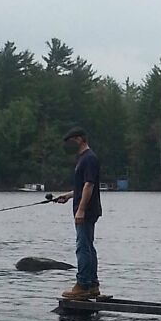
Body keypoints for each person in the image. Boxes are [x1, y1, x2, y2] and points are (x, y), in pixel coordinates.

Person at [56, 126, 102, 299]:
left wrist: (81, 210)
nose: (70, 145)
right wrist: (68, 196)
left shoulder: (89, 159)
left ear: (80, 139)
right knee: (88, 246)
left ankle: (83, 285)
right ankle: (93, 285)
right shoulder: (83, 158)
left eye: (71, 141)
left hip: (87, 211)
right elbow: (82, 187)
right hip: (86, 209)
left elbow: (89, 185)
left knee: (83, 247)